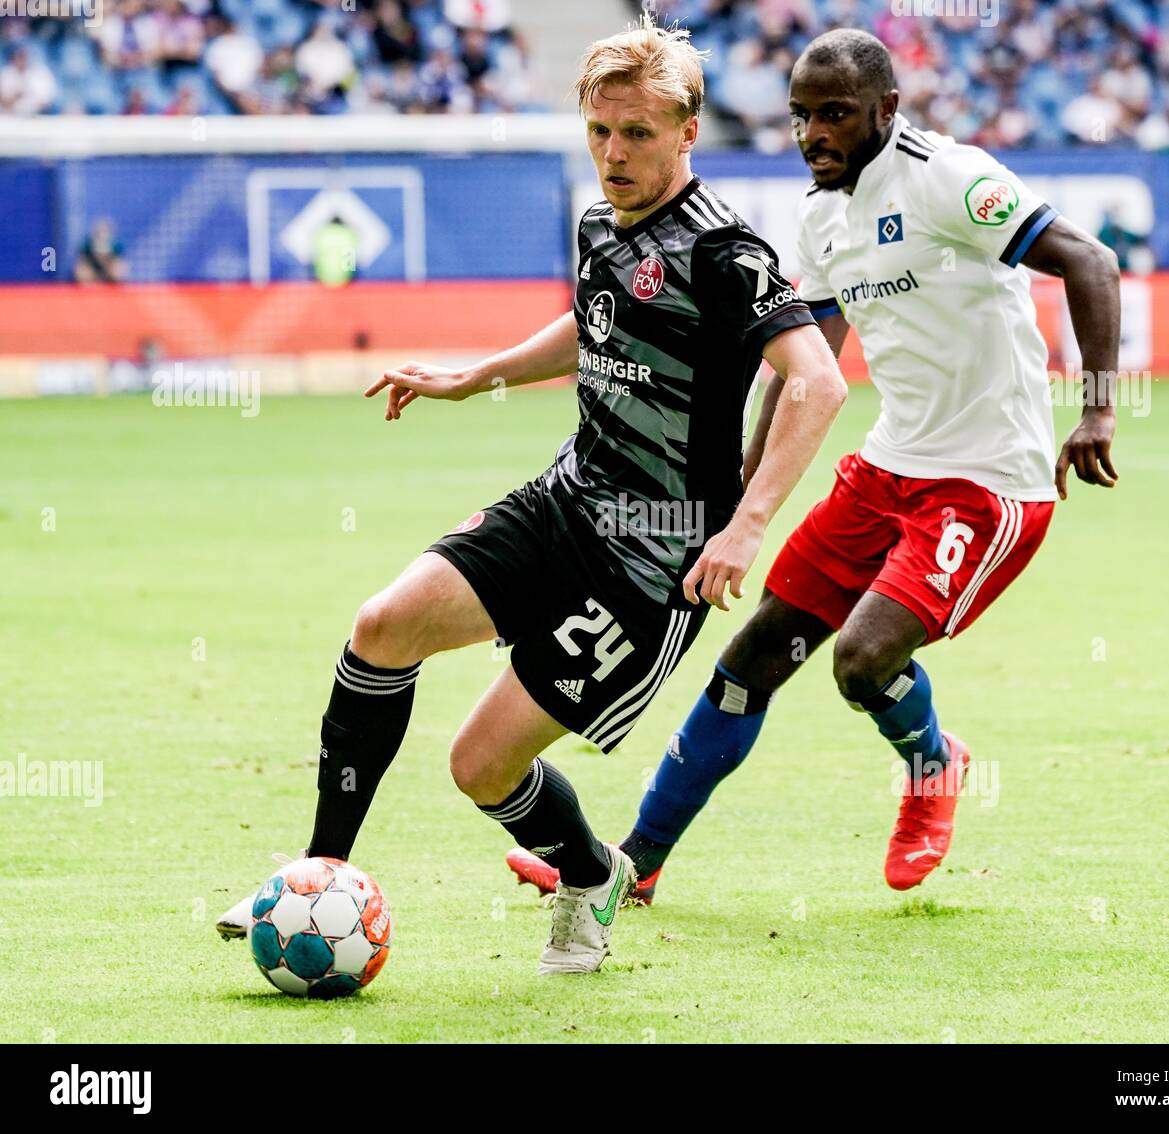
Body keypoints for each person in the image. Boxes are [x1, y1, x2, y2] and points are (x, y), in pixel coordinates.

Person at [215, 21, 846, 975]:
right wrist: (477, 377)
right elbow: (593, 323)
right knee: (383, 624)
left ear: (687, 129)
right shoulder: (601, 223)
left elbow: (817, 381)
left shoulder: (725, 250)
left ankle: (593, 877)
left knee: (480, 767)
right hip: (565, 500)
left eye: (636, 132)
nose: (613, 153)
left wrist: (746, 525)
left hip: (653, 560)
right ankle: (318, 871)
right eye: (599, 130)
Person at [507, 27, 1121, 906]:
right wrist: (741, 506)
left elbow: (1090, 262)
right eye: (800, 118)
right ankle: (634, 864)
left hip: (988, 485)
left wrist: (1097, 407)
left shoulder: (951, 178)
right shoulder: (822, 217)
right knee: (750, 658)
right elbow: (804, 376)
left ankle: (934, 764)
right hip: (889, 470)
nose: (813, 136)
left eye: (834, 116)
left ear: (887, 110)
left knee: (862, 662)